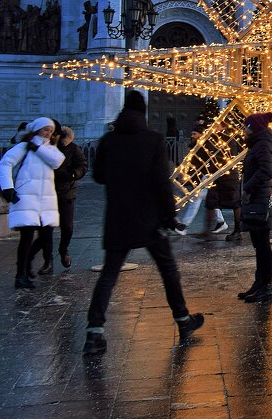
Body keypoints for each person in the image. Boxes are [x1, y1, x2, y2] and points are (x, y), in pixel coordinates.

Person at [84, 91, 204, 355]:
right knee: (168, 270)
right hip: (149, 219)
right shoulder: (153, 140)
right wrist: (170, 215)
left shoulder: (108, 140)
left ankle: (94, 332)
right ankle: (183, 320)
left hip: (118, 217)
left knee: (109, 275)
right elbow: (162, 182)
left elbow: (100, 176)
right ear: (144, 112)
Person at [0, 117, 63, 289]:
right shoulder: (23, 147)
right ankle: (20, 275)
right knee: (26, 238)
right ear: (37, 130)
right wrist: (8, 188)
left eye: (50, 130)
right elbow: (5, 164)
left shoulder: (49, 149)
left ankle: (27, 264)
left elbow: (57, 161)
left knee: (46, 236)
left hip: (46, 199)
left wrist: (38, 148)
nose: (48, 133)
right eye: (45, 130)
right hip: (27, 197)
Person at [28, 121, 87, 272]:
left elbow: (82, 165)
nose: (52, 136)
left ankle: (63, 249)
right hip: (46, 194)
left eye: (54, 133)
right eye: (49, 132)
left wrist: (74, 174)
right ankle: (48, 262)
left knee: (67, 227)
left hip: (66, 193)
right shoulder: (43, 148)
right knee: (46, 230)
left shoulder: (72, 148)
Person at [238, 112, 272, 303]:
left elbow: (267, 170)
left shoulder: (262, 144)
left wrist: (248, 187)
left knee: (262, 244)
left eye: (246, 126)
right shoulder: (258, 144)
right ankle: (259, 283)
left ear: (254, 128)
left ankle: (266, 286)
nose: (243, 130)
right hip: (257, 198)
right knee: (259, 244)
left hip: (261, 199)